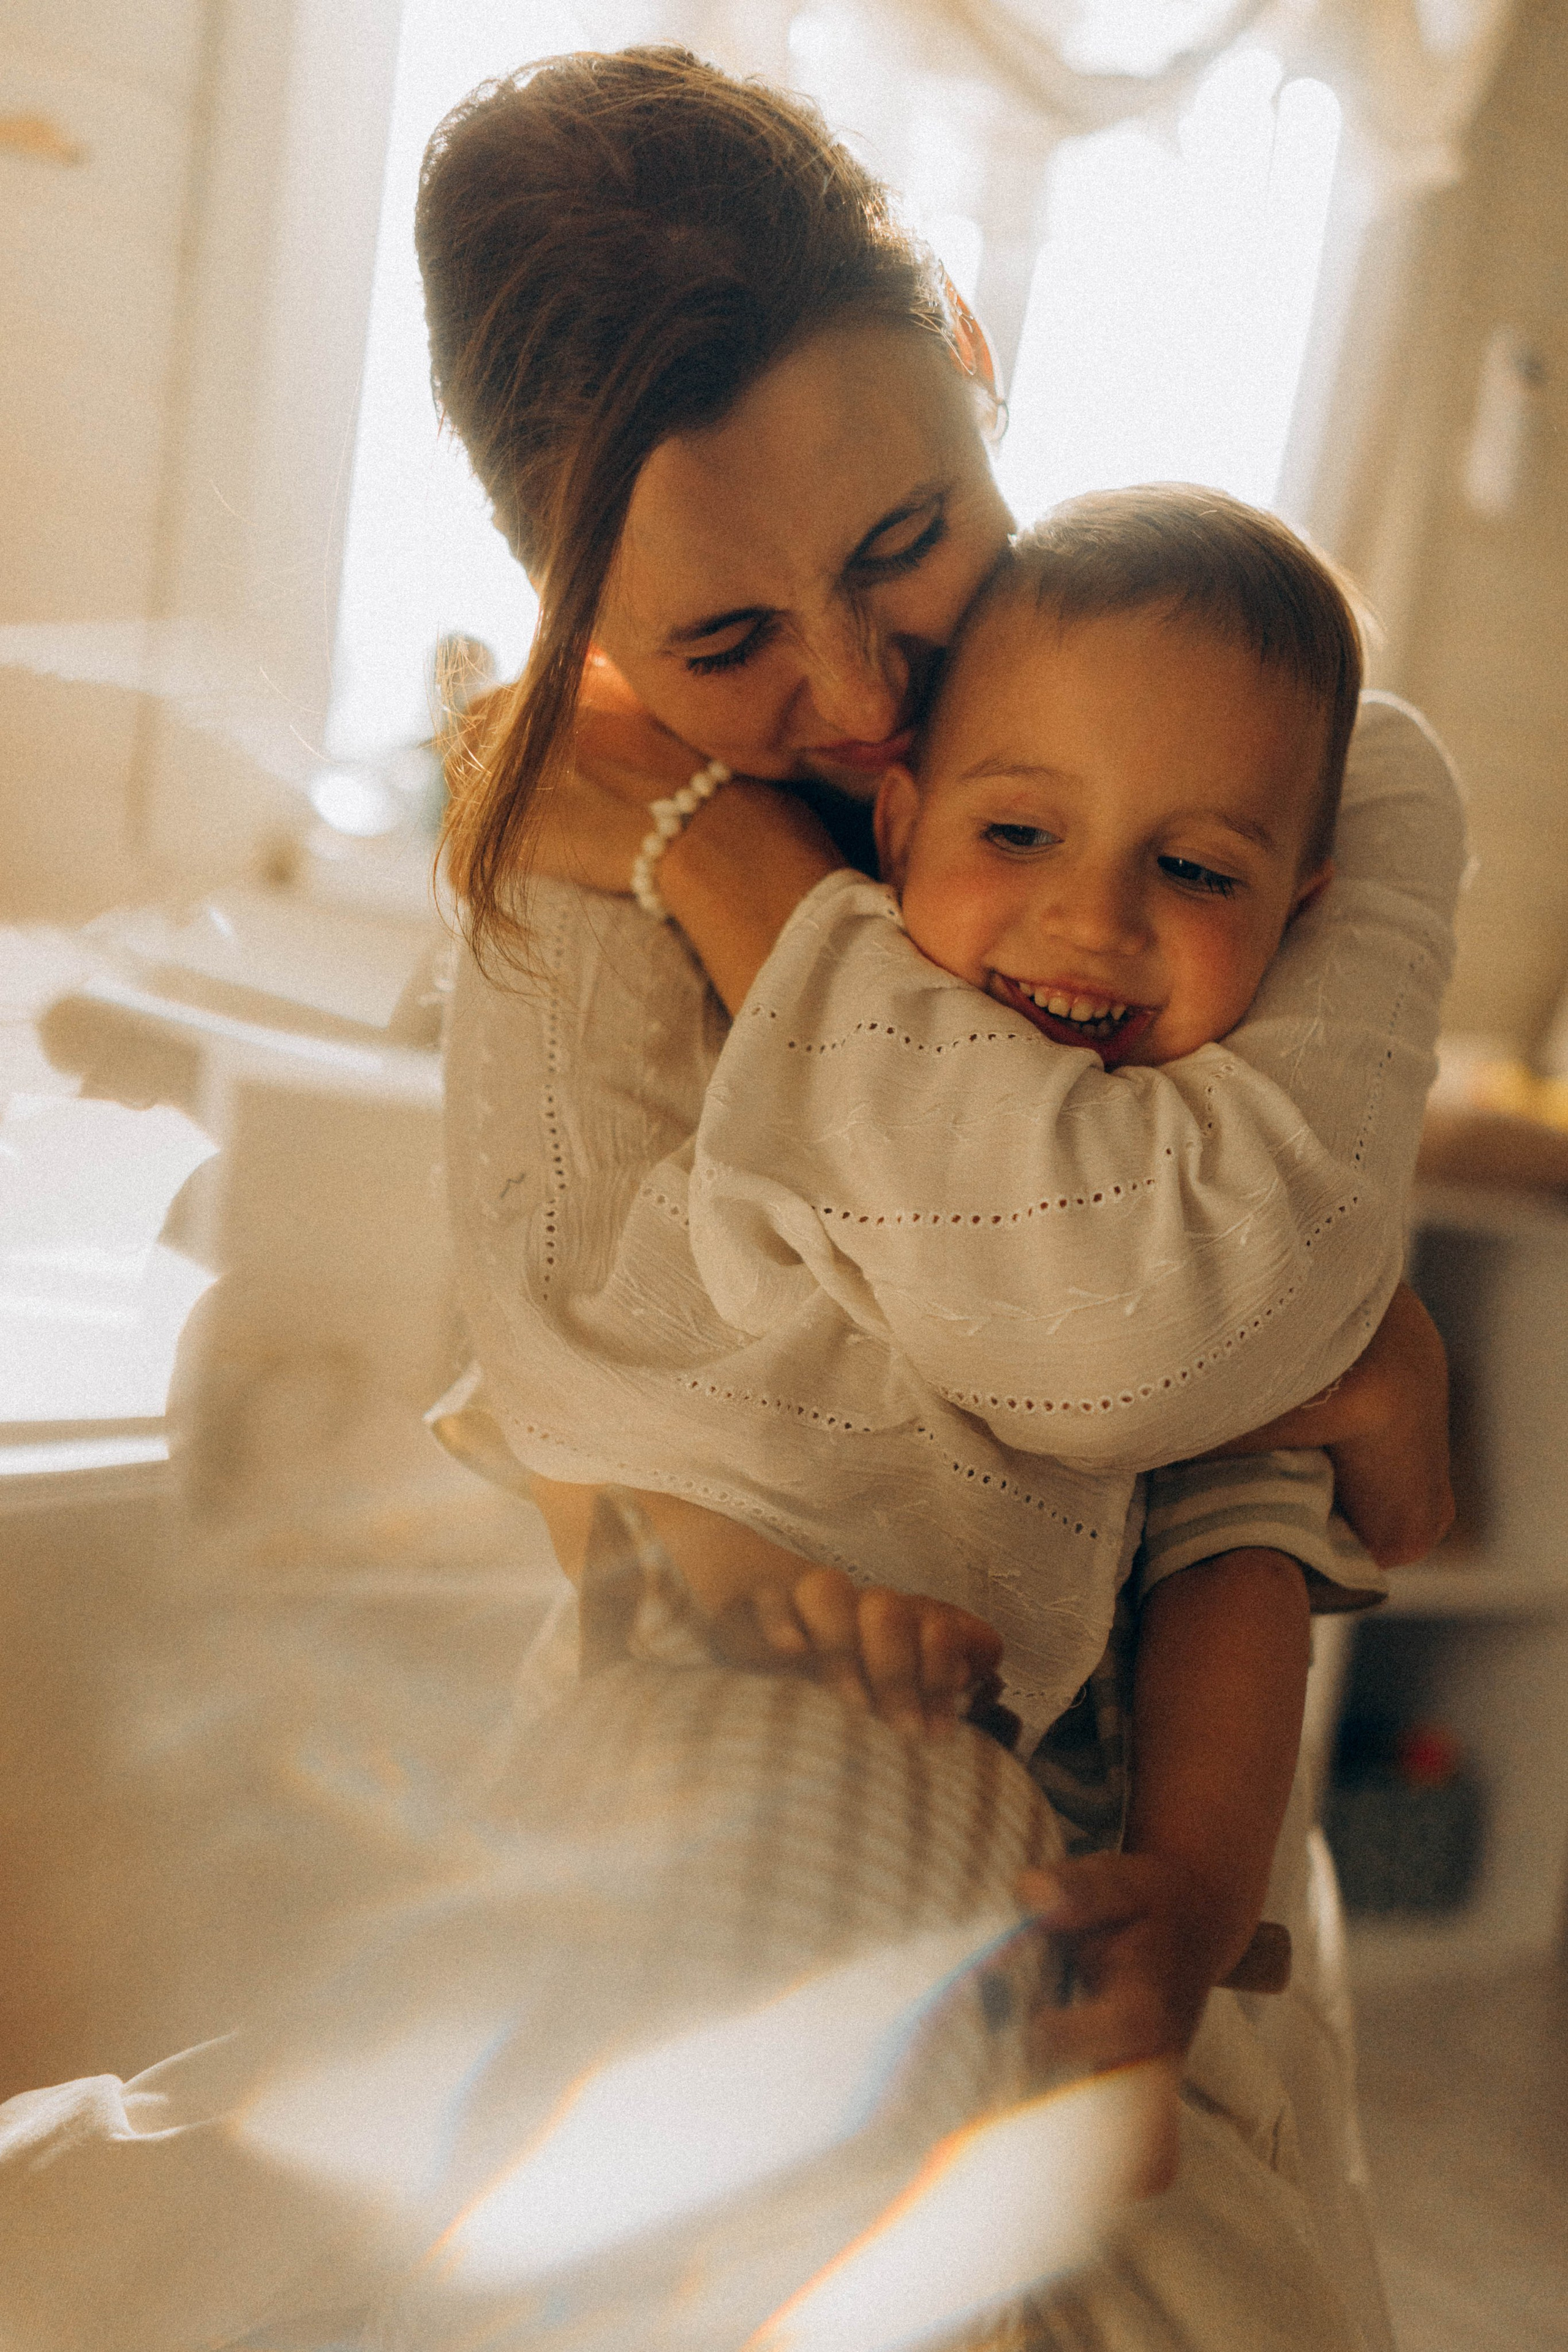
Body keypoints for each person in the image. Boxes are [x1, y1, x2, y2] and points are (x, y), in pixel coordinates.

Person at [415, 45, 1460, 2350]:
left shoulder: (1292, 739)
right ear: (573, 612)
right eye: (724, 649)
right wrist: (1324, 1325)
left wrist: (748, 865)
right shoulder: (547, 862)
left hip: (1141, 1774)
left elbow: (1178, 1354)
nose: (866, 688)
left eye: (903, 547)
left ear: (972, 361)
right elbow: (619, 1421)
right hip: (745, 1733)